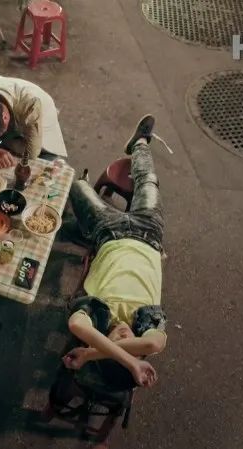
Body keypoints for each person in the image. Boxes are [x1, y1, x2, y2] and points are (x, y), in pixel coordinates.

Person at [59, 115, 168, 390]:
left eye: (117, 344)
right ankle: (140, 143)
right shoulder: (147, 323)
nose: (123, 336)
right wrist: (130, 362)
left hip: (109, 232)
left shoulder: (97, 316)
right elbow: (154, 344)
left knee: (76, 186)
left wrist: (90, 354)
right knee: (148, 182)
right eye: (131, 348)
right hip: (149, 232)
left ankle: (79, 223)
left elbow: (76, 326)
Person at [0, 74, 67, 168]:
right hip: (17, 111)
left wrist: (1, 145)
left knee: (41, 161)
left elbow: (31, 153)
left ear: (5, 117)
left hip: (43, 115)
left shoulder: (30, 106)